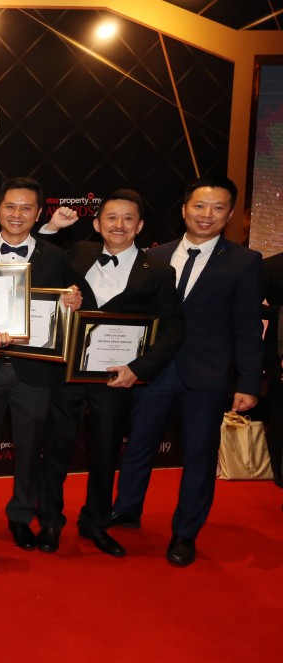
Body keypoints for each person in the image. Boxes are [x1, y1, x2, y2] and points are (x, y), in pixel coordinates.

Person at [111, 176, 263, 566]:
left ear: (229, 214)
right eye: (199, 206)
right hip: (155, 372)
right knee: (138, 446)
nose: (206, 215)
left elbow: (247, 326)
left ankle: (184, 533)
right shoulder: (154, 255)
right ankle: (126, 509)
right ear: (184, 210)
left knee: (198, 455)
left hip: (207, 377)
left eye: (217, 208)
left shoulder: (245, 262)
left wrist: (248, 382)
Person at [38, 189, 185, 557]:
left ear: (140, 226)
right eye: (111, 218)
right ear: (97, 224)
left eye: (128, 219)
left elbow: (172, 329)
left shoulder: (160, 272)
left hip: (116, 381)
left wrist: (138, 369)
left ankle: (95, 524)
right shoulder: (77, 255)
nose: (119, 225)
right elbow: (38, 259)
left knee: (105, 455)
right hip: (69, 375)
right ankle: (51, 522)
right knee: (56, 451)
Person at [0, 178, 80, 553]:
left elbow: (65, 317)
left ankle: (20, 516)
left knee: (30, 450)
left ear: (38, 214)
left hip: (34, 372)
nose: (17, 214)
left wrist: (72, 305)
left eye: (26, 208)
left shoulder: (57, 257)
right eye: (11, 206)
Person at [263, 252, 283, 491]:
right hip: (278, 353)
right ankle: (280, 474)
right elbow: (248, 304)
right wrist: (277, 312)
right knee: (279, 415)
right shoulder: (271, 266)